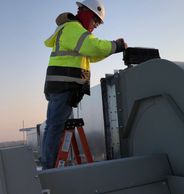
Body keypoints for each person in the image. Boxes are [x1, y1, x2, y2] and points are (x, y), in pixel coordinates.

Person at [41, 0, 127, 169]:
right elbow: (92, 47)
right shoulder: (73, 29)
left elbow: (92, 55)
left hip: (62, 87)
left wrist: (112, 49)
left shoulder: (74, 31)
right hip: (63, 87)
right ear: (87, 12)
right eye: (96, 20)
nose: (95, 25)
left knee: (53, 126)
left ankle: (48, 165)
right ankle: (48, 169)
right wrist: (116, 46)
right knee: (55, 127)